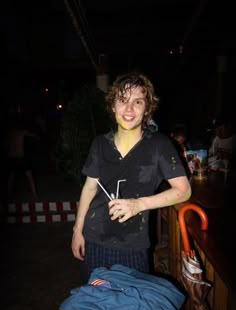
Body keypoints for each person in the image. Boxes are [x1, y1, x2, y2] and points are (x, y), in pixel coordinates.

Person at [72, 71, 191, 284]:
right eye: (122, 100)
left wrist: (138, 205)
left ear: (147, 109)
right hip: (93, 238)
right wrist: (77, 230)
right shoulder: (100, 144)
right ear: (112, 106)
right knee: (95, 304)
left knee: (132, 308)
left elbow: (183, 190)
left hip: (132, 245)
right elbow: (89, 188)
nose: (129, 109)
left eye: (137, 102)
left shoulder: (159, 145)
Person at [4, 117, 39, 200]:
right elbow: (32, 135)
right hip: (20, 158)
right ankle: (35, 196)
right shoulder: (21, 132)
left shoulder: (9, 134)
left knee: (11, 178)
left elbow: (5, 146)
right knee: (29, 177)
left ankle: (8, 195)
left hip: (13, 158)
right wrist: (37, 136)